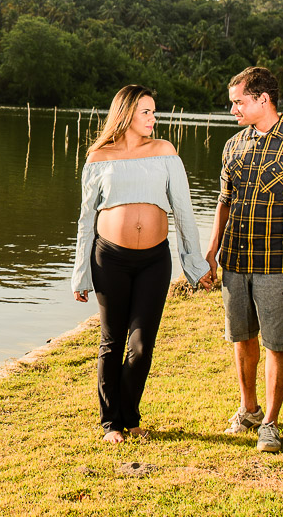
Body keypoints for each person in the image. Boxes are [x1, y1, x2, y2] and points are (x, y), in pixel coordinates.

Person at [73, 85, 213, 443]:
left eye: (154, 112)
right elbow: (86, 219)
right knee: (112, 342)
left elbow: (183, 210)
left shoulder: (164, 151)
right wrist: (81, 275)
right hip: (109, 259)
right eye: (146, 112)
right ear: (125, 114)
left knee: (141, 345)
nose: (153, 118)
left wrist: (195, 265)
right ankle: (113, 423)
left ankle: (130, 413)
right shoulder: (99, 156)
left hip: (154, 260)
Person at [204, 66, 283, 453]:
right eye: (233, 103)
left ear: (263, 100)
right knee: (241, 339)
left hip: (279, 265)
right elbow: (224, 202)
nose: (234, 110)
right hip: (235, 262)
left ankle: (271, 423)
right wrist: (212, 250)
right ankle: (249, 409)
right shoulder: (233, 146)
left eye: (239, 102)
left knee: (277, 344)